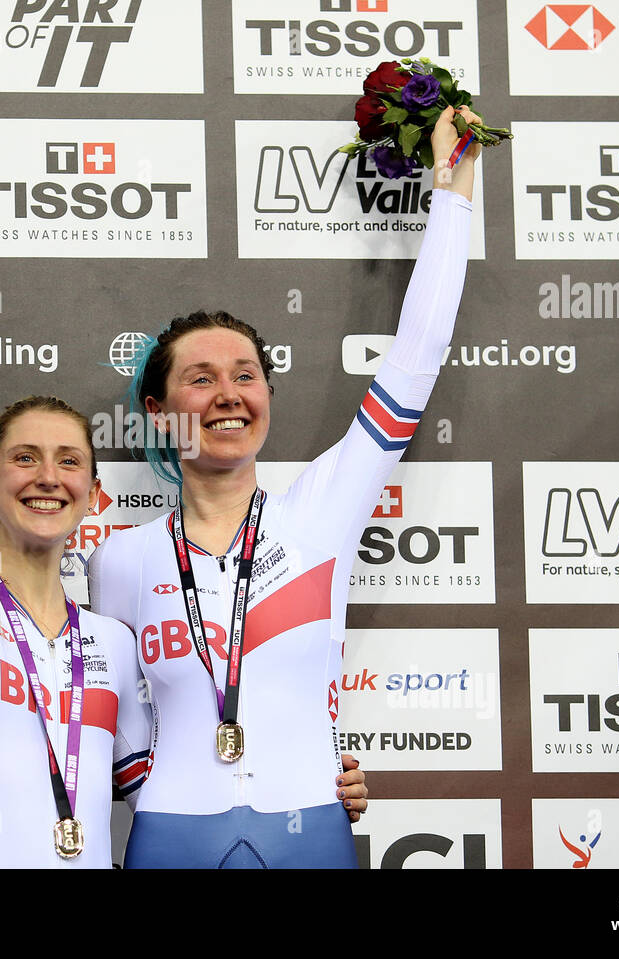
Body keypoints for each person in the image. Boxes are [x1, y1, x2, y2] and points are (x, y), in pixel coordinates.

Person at [0, 212, 368, 867]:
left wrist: (318, 773)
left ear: (91, 495)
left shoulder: (111, 643)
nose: (48, 477)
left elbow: (167, 782)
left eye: (68, 462)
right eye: (25, 458)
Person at [89, 106, 480, 868]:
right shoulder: (120, 559)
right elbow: (118, 719)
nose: (230, 394)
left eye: (246, 376)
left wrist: (453, 185)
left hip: (312, 829)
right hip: (172, 834)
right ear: (158, 411)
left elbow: (417, 354)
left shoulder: (321, 510)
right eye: (201, 379)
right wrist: (147, 792)